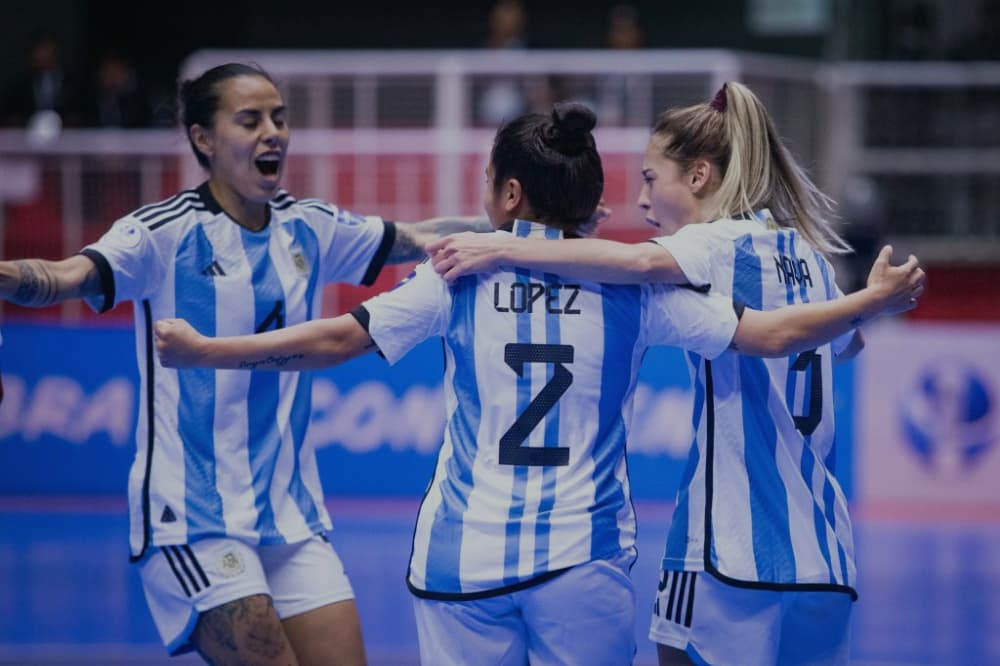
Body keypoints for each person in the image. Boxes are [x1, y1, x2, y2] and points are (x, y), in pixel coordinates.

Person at [153, 102, 923, 665]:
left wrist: (211, 350)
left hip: (463, 562)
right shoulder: (637, 293)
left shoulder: (458, 272)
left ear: (510, 194)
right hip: (587, 561)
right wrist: (868, 306)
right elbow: (772, 335)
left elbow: (333, 340)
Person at [0, 62, 489, 665]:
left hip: (291, 516)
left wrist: (520, 228)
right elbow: (62, 277)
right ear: (204, 138)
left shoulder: (309, 226)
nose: (272, 133)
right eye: (251, 120)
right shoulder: (161, 233)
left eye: (279, 119)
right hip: (193, 518)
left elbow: (420, 237)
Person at [427, 82, 925, 664]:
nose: (641, 200)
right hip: (827, 554)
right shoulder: (810, 258)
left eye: (649, 178)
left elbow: (638, 261)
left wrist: (503, 248)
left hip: (730, 546)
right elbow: (848, 342)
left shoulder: (712, 244)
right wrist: (867, 302)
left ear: (698, 177)